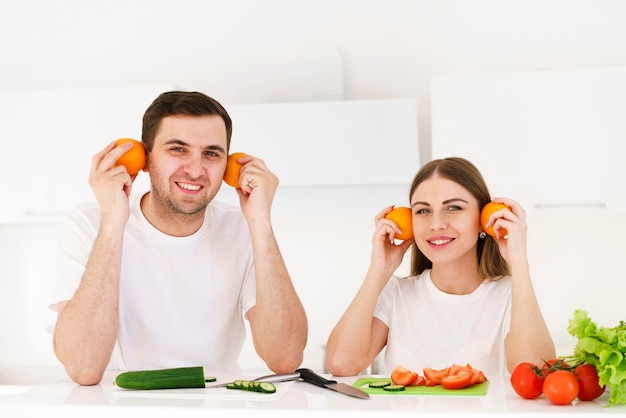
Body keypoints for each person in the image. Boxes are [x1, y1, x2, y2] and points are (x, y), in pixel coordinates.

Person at [51, 91, 308, 386]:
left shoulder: (243, 228)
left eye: (211, 153)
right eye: (177, 149)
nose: (196, 170)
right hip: (119, 405)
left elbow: (285, 357)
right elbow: (83, 368)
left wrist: (260, 222)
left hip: (215, 403)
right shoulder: (90, 223)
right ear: (144, 158)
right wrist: (112, 223)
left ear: (228, 166)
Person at [325, 157, 555, 379]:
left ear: (484, 219)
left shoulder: (510, 294)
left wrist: (519, 261)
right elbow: (341, 363)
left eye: (453, 207)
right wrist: (379, 269)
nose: (436, 224)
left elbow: (536, 372)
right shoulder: (395, 293)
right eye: (423, 211)